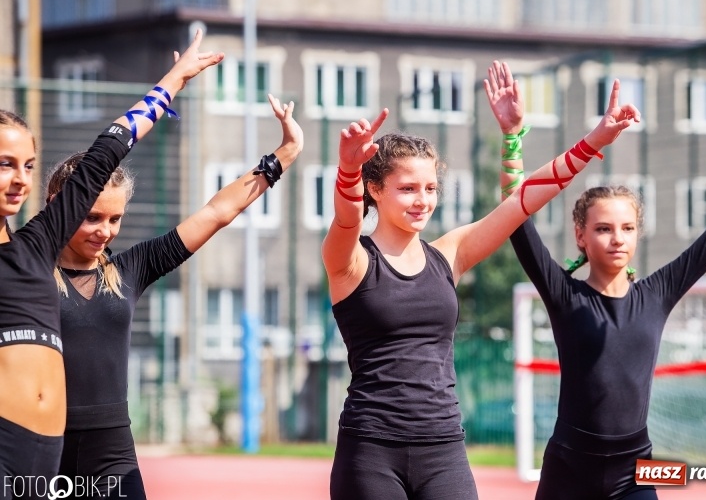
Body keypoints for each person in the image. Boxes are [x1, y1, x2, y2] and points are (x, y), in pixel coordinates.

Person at [322, 62, 639, 500]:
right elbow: (345, 218)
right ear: (375, 189)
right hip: (370, 450)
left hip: (443, 448)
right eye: (408, 188)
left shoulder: (449, 254)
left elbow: (522, 201)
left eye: (430, 188)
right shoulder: (351, 260)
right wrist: (347, 170)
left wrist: (596, 140)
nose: (422, 200)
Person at [492, 59, 706, 499]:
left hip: (635, 471)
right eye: (603, 228)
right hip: (568, 469)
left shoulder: (658, 293)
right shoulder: (563, 294)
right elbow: (515, 219)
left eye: (627, 228)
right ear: (580, 236)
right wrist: (511, 136)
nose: (617, 238)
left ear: (638, 233)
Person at [46, 89, 302, 498]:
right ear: (57, 204)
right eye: (92, 217)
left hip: (112, 454)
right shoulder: (27, 272)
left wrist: (284, 155)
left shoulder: (130, 269)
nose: (105, 231)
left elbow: (216, 212)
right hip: (42, 450)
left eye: (115, 218)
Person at [0, 29, 222, 499]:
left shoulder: (36, 244)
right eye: (5, 164)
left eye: (28, 165)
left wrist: (173, 83)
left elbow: (107, 152)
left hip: (45, 452)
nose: (19, 179)